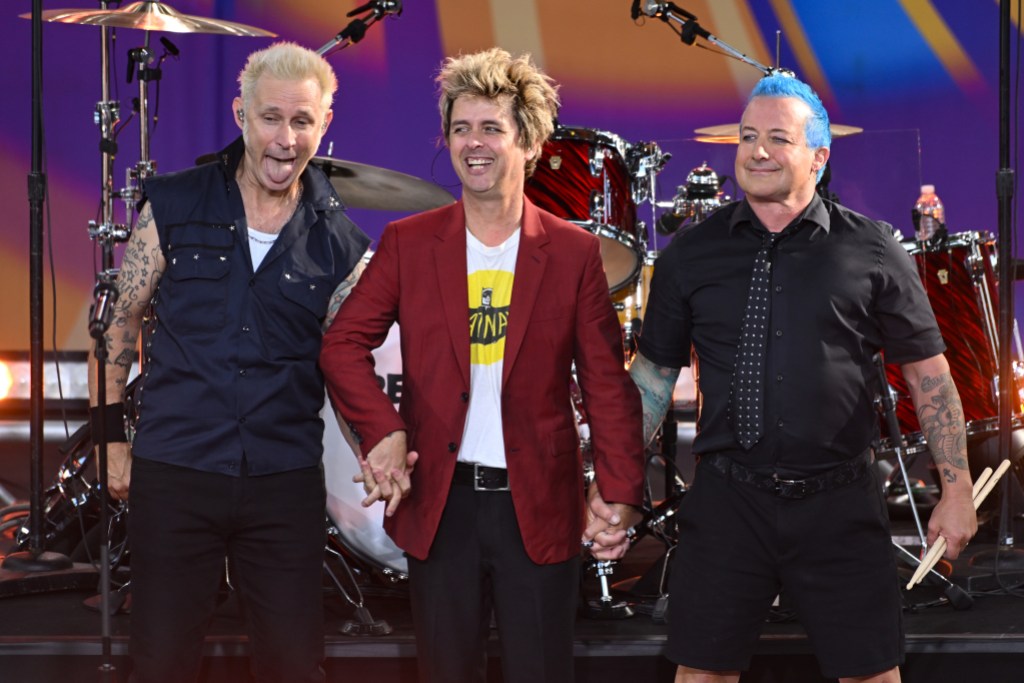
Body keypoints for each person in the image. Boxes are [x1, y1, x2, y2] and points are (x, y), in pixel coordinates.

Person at [629, 73, 978, 683]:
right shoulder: (690, 252)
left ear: (819, 156)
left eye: (777, 138)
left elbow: (930, 378)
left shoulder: (872, 250)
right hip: (727, 500)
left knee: (871, 674)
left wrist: (955, 491)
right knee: (701, 672)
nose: (757, 150)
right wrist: (615, 480)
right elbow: (654, 377)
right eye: (747, 136)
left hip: (840, 502)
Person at [319, 47, 645, 683]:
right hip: (442, 507)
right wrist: (384, 431)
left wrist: (621, 492)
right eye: (461, 128)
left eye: (492, 128)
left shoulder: (575, 254)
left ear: (529, 141)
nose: (474, 144)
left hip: (540, 505)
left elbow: (608, 386)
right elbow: (342, 344)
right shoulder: (408, 243)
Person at [87, 42, 370, 683]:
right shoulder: (176, 206)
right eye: (271, 117)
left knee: (295, 666)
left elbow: (349, 366)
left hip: (283, 482)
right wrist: (110, 438)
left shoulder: (341, 243)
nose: (285, 138)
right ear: (240, 113)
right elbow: (119, 325)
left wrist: (377, 450)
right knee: (160, 665)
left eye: (303, 121)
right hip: (177, 470)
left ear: (325, 125)